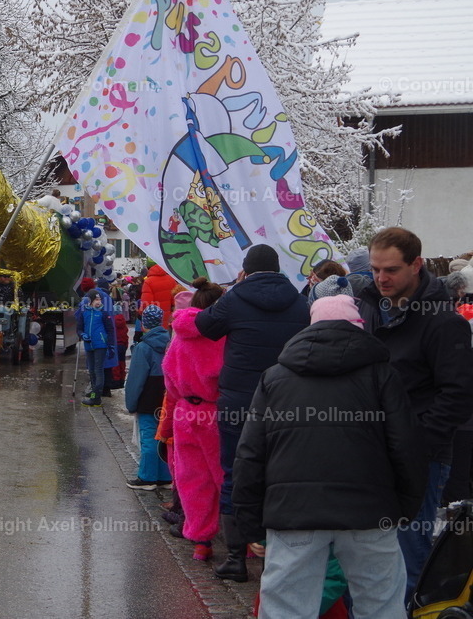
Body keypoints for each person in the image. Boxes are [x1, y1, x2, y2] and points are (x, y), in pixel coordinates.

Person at [233, 295, 426, 619]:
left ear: (311, 326)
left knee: (286, 608)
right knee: (381, 604)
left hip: (293, 513)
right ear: (358, 326)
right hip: (369, 512)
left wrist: (250, 525)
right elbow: (406, 446)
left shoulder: (275, 377)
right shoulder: (382, 374)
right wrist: (403, 509)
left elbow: (250, 454)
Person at [354, 227, 473, 598]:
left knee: (408, 553)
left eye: (390, 270)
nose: (380, 278)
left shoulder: (442, 320)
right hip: (374, 447)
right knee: (370, 553)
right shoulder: (372, 304)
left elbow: (459, 393)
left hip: (420, 456)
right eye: (374, 269)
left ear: (417, 265)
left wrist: (416, 443)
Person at [195, 243, 309, 582]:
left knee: (235, 472)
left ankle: (236, 557)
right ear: (278, 269)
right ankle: (277, 555)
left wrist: (235, 289)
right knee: (279, 475)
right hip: (286, 401)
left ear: (245, 269)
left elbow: (205, 325)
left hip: (239, 402)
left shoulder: (235, 298)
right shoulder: (300, 301)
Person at [161, 277, 225, 560]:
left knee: (192, 477)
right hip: (215, 410)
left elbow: (170, 379)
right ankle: (243, 540)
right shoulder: (222, 336)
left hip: (185, 412)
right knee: (225, 475)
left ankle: (201, 540)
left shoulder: (180, 335)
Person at [124, 304, 171, 490]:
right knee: (164, 436)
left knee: (149, 437)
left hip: (148, 398)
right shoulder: (170, 343)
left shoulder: (143, 348)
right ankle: (165, 476)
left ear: (144, 324)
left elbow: (136, 380)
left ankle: (147, 477)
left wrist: (131, 403)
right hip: (166, 397)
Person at [77, 289, 115, 407]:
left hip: (100, 345)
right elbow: (79, 329)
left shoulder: (103, 313)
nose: (99, 302)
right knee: (92, 371)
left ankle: (96, 398)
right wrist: (82, 335)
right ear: (90, 301)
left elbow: (110, 330)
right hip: (89, 345)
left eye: (99, 299)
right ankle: (94, 393)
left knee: (98, 371)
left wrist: (111, 345)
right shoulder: (84, 313)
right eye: (96, 299)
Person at [141, 260, 177, 329]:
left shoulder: (148, 282)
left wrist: (140, 313)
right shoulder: (171, 280)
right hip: (168, 320)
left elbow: (146, 304)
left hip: (153, 321)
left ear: (148, 268)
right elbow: (175, 302)